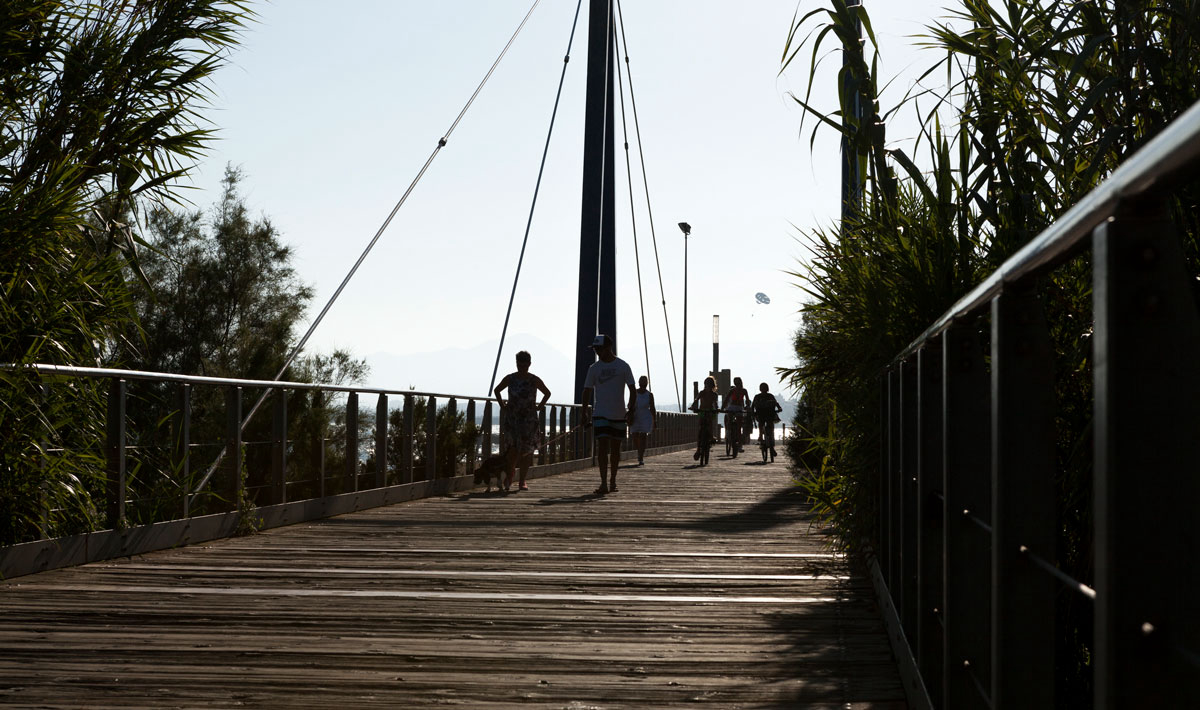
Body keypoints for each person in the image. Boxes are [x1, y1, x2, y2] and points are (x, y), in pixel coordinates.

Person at [581, 334, 636, 494]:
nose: (597, 352)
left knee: (615, 450)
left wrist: (631, 409)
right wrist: (584, 411)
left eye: (599, 348)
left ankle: (613, 481)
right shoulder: (594, 368)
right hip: (600, 413)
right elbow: (587, 390)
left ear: (608, 348)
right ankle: (604, 482)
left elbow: (632, 389)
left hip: (619, 414)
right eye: (595, 349)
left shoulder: (623, 366)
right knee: (602, 448)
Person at [493, 350, 551, 491]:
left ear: (529, 364)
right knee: (512, 450)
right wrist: (503, 406)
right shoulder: (510, 378)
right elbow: (497, 390)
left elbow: (547, 393)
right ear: (516, 363)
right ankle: (510, 475)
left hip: (529, 420)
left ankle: (522, 480)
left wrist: (539, 407)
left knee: (526, 451)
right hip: (513, 419)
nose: (522, 367)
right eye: (520, 364)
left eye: (525, 365)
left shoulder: (534, 379)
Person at [751, 382, 784, 462]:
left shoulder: (759, 396)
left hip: (765, 415)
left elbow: (753, 406)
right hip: (767, 415)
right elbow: (776, 404)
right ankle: (762, 437)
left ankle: (761, 437)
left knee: (765, 425)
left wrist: (753, 413)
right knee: (767, 426)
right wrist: (779, 408)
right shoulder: (768, 396)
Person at [629, 376, 656, 466]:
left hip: (645, 417)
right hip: (635, 416)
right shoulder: (634, 393)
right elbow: (629, 404)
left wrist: (654, 420)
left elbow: (652, 408)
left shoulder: (649, 395)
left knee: (643, 436)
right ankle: (639, 450)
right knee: (635, 435)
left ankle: (640, 456)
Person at [691, 376, 719, 462]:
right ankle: (698, 449)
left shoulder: (714, 395)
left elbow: (715, 403)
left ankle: (711, 436)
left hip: (710, 411)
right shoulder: (702, 393)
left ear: (712, 385)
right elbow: (696, 400)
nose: (708, 386)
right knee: (700, 428)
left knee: (710, 424)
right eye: (706, 384)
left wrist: (716, 409)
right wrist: (693, 406)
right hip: (702, 411)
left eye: (709, 384)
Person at [725, 376, 751, 456]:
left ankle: (739, 444)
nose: (737, 384)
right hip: (733, 407)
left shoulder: (743, 390)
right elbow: (726, 399)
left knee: (739, 427)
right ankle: (728, 432)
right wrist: (723, 407)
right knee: (730, 421)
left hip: (738, 407)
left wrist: (747, 406)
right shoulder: (733, 390)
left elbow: (747, 400)